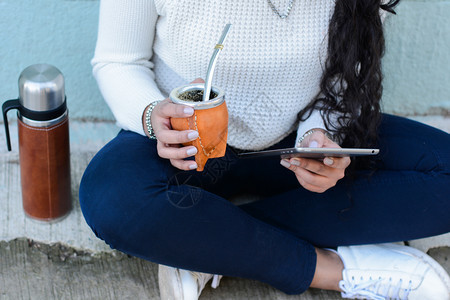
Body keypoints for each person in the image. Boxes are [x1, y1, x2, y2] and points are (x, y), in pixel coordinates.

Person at [79, 0, 450, 299]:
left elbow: (344, 80)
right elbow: (118, 61)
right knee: (113, 199)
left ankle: (199, 243)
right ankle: (330, 270)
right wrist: (152, 115)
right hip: (188, 145)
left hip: (293, 146)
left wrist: (318, 139)